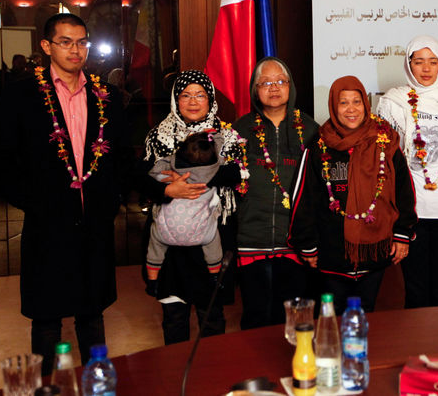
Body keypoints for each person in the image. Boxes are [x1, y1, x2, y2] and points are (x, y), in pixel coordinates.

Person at [0, 13, 131, 375]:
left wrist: (111, 200)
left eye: (82, 42)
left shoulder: (107, 96)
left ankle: (98, 381)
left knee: (92, 313)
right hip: (47, 224)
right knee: (46, 316)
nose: (75, 49)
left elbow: (122, 157)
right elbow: (1, 159)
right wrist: (35, 203)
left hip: (94, 224)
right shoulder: (22, 95)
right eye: (65, 42)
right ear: (46, 46)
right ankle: (46, 384)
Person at [289, 76, 417, 314]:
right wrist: (308, 245)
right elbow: (304, 197)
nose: (351, 109)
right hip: (331, 254)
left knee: (369, 315)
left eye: (356, 102)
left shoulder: (385, 140)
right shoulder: (318, 145)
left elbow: (404, 190)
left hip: (376, 253)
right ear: (333, 106)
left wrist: (402, 234)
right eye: (343, 102)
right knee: (331, 318)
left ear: (366, 105)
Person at [140, 70, 246, 345]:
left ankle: (211, 377)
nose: (193, 101)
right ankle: (177, 378)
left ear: (210, 99)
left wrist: (190, 178)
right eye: (185, 95)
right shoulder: (158, 136)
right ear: (176, 100)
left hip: (212, 235)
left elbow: (238, 174)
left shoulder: (227, 135)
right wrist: (167, 188)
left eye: (200, 95)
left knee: (211, 313)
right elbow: (143, 179)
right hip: (170, 240)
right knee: (174, 314)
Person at [376, 35, 438, 308]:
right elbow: (387, 161)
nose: (426, 68)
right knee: (416, 290)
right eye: (419, 62)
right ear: (409, 64)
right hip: (413, 212)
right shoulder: (394, 102)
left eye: (433, 61)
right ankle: (418, 348)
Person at [232, 57, 318, 329]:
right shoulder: (240, 130)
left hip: (294, 243)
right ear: (255, 90)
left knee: (294, 322)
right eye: (265, 83)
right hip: (251, 239)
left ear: (290, 86)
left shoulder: (310, 130)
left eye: (280, 81)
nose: (274, 88)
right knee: (256, 318)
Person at [145, 131, 241, 291]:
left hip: (165, 233)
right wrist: (216, 137)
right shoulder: (214, 172)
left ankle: (152, 281)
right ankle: (215, 276)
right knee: (213, 242)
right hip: (201, 234)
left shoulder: (171, 172)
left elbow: (153, 172)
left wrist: (169, 173)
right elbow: (232, 168)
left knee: (155, 246)